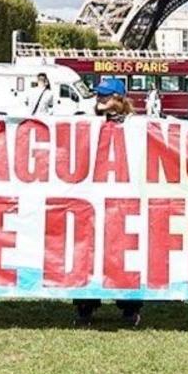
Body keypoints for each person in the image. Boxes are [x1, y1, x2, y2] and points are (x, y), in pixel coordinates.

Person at [76, 80, 144, 327]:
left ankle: (130, 307)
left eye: (105, 96)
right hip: (93, 200)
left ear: (119, 98)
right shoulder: (88, 124)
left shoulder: (136, 125)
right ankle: (85, 306)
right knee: (88, 256)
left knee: (125, 256)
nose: (99, 100)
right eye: (99, 96)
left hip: (124, 201)